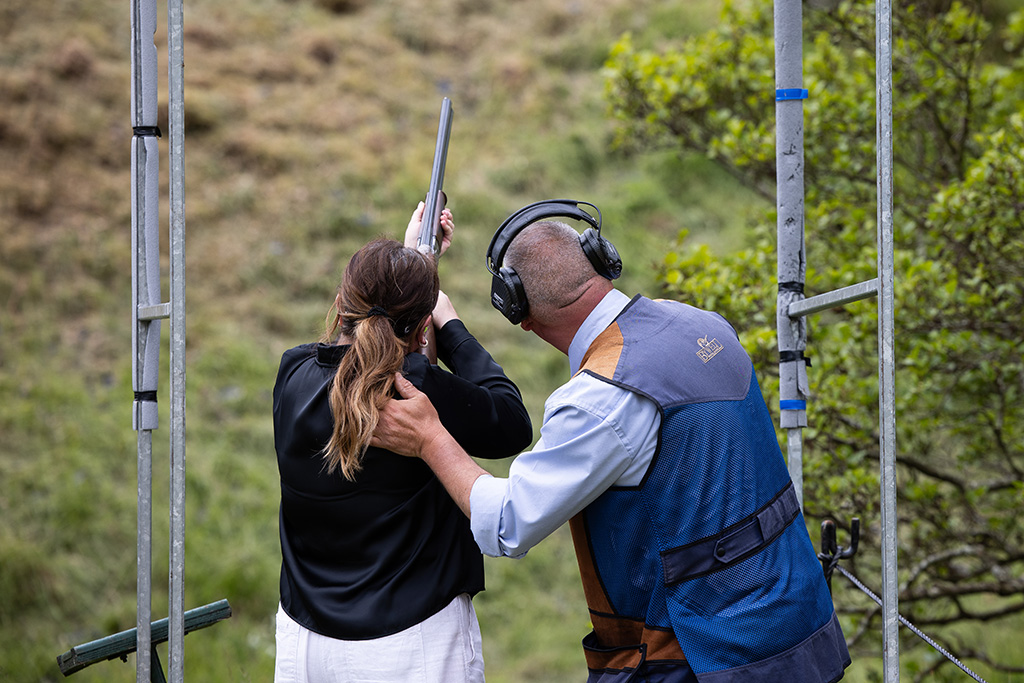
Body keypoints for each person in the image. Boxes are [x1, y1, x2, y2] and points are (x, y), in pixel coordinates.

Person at [372, 200, 852, 683]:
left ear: (519, 312)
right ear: (601, 260)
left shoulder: (599, 398)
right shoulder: (703, 324)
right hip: (802, 635)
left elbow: (507, 524)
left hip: (703, 660)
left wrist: (430, 437)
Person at [273, 203, 533, 683]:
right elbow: (513, 422)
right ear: (419, 331)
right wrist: (450, 324)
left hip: (303, 643)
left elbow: (367, 350)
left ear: (341, 301)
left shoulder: (293, 371)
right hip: (412, 644)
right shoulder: (418, 385)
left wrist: (415, 266)